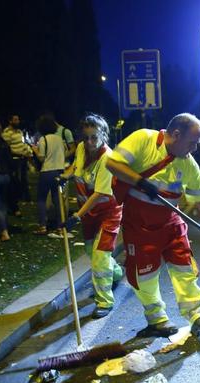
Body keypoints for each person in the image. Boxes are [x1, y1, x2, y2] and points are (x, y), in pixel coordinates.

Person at [106, 113, 200, 338]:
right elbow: (112, 163)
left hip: (170, 221)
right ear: (176, 134)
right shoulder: (143, 139)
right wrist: (139, 181)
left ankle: (197, 316)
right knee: (144, 275)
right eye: (192, 142)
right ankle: (157, 320)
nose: (195, 148)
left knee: (184, 267)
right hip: (139, 224)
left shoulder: (188, 163)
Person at [60, 114, 123, 318]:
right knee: (90, 249)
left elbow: (98, 194)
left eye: (94, 137)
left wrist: (76, 216)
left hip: (107, 212)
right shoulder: (81, 148)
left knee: (100, 255)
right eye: (86, 137)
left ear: (103, 135)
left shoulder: (107, 159)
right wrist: (63, 177)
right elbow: (75, 168)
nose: (89, 142)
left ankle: (104, 301)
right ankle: (115, 273)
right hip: (88, 212)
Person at [32, 114, 67, 236]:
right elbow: (65, 152)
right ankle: (60, 227)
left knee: (41, 199)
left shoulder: (43, 139)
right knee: (57, 200)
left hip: (47, 171)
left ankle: (42, 226)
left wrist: (35, 150)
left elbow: (42, 157)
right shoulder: (60, 139)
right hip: (59, 171)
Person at [2, 114, 33, 205]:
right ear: (10, 121)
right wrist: (18, 153)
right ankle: (17, 197)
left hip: (23, 158)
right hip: (14, 159)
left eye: (18, 119)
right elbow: (6, 148)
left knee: (24, 178)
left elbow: (23, 144)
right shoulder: (7, 133)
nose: (17, 121)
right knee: (16, 179)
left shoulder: (19, 132)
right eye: (15, 120)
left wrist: (27, 152)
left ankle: (25, 197)